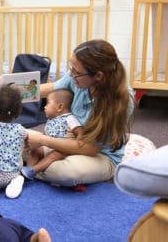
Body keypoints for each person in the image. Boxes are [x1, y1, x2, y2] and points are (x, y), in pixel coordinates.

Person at [25, 39, 135, 187]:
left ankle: (27, 169)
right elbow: (50, 88)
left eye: (76, 72)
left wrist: (42, 140)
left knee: (63, 172)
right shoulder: (79, 78)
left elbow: (90, 148)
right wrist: (11, 92)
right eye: (71, 68)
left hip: (98, 155)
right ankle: (33, 169)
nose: (71, 75)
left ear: (98, 76)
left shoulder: (121, 101)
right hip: (65, 141)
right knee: (10, 140)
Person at [21, 88, 83, 180]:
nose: (44, 107)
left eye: (47, 103)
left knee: (54, 155)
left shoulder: (70, 119)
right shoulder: (51, 120)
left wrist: (77, 145)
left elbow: (80, 132)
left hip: (63, 150)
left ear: (60, 107)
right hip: (49, 147)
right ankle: (27, 171)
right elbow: (45, 135)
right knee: (35, 151)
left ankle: (34, 170)